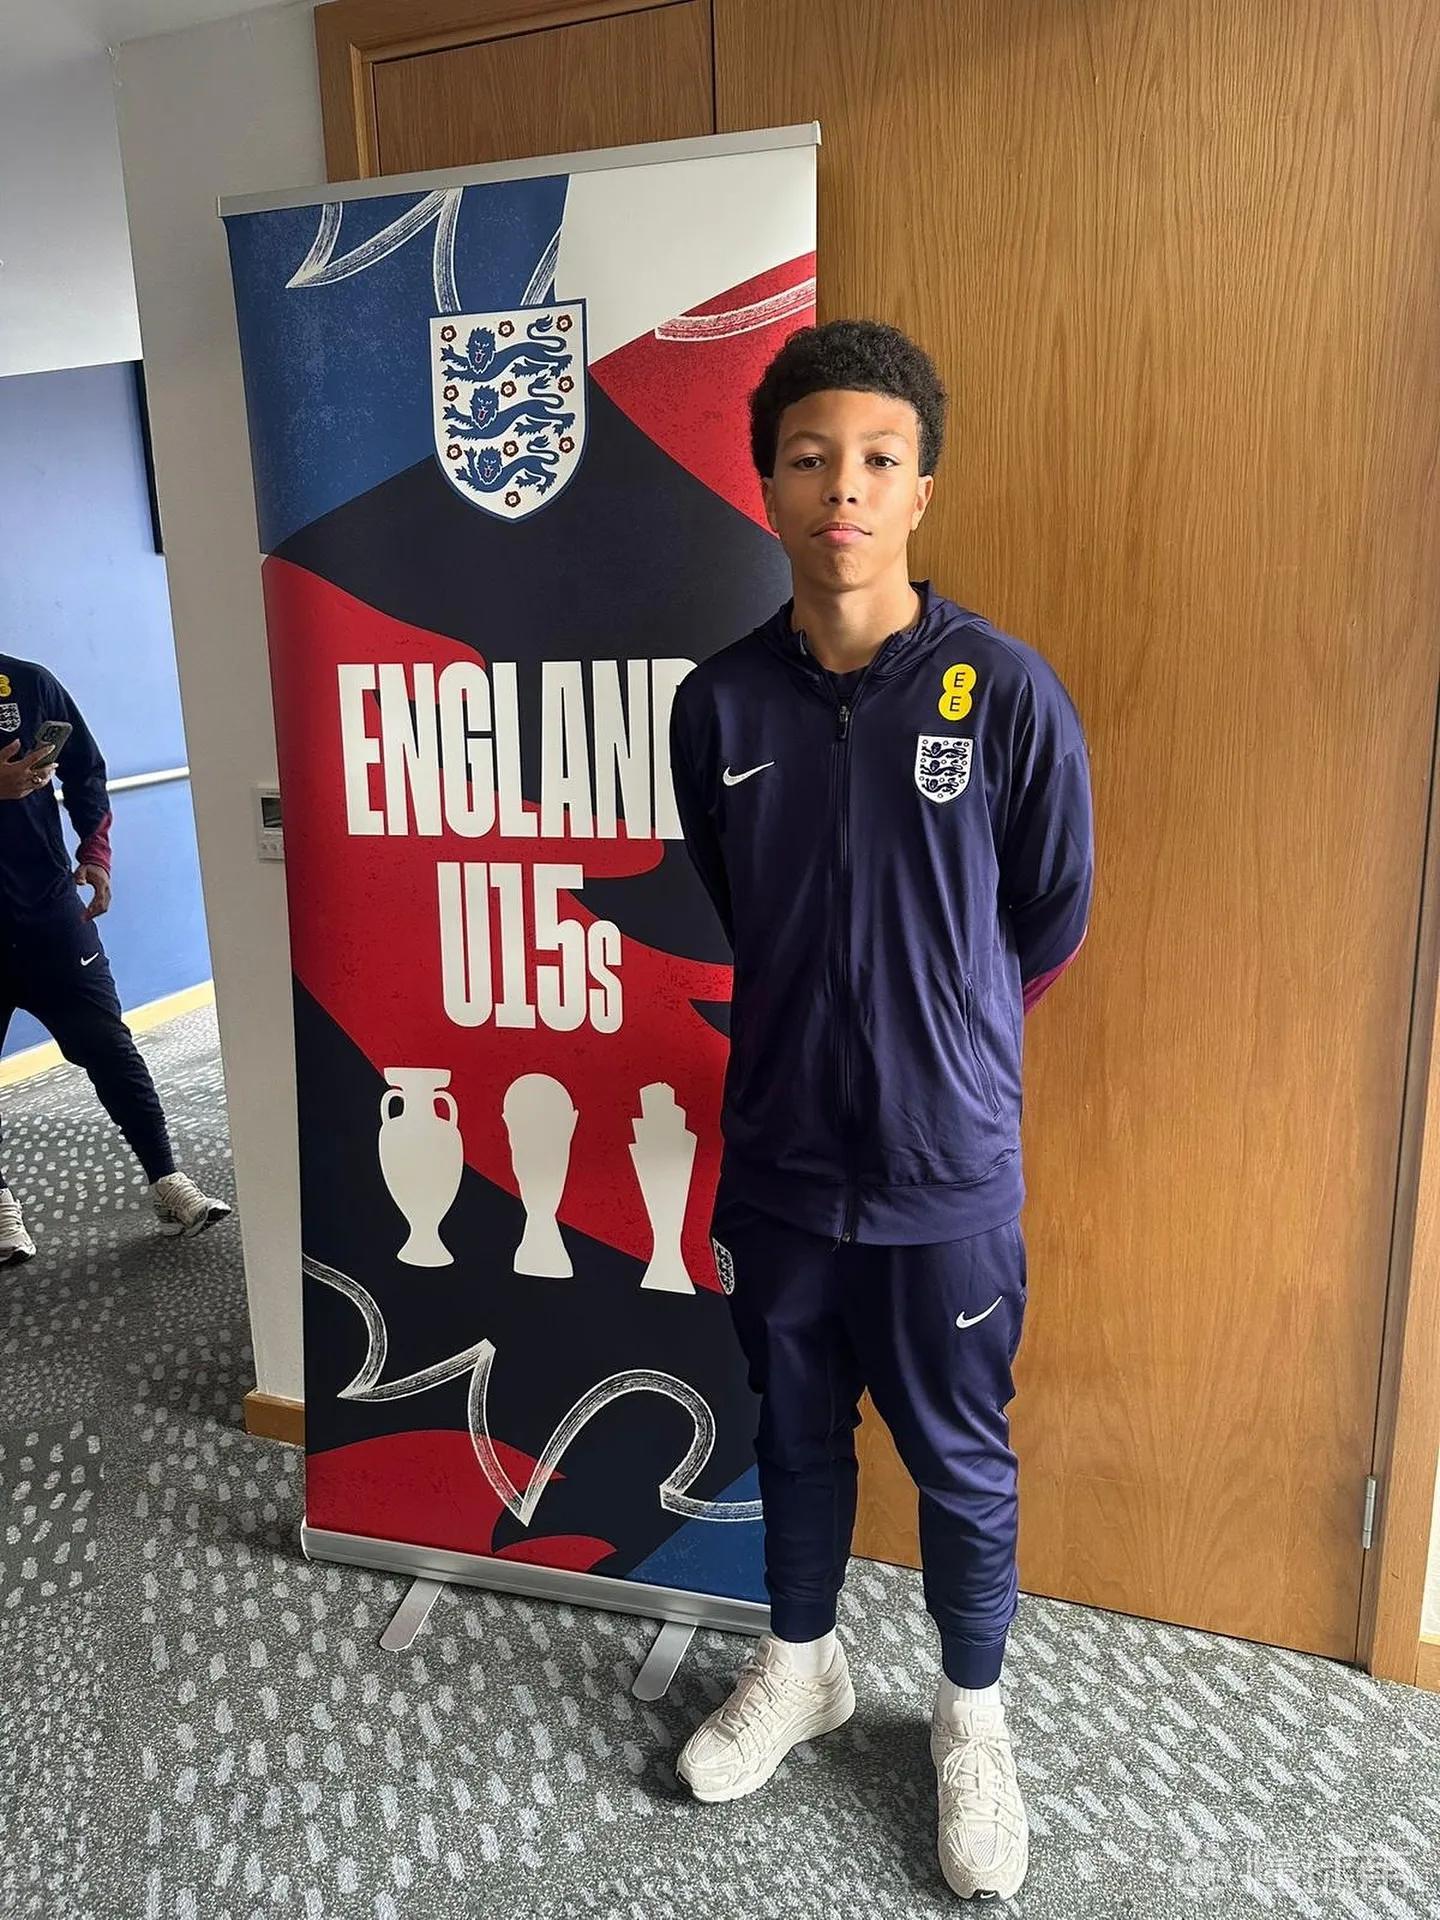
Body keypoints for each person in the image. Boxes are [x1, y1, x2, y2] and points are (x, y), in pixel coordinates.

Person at [666, 320, 1093, 1901]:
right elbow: (743, 907)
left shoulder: (1004, 692)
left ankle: (971, 1717)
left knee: (962, 1460)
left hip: (943, 1173)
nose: (842, 486)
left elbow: (1048, 916)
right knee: (791, 1432)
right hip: (780, 1159)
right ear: (768, 486)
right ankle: (805, 1666)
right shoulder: (718, 708)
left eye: (877, 460)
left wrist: (944, 1040)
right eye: (810, 458)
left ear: (921, 491)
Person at [0, 655, 232, 1263]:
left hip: (49, 912)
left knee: (109, 1046)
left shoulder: (29, 683)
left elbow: (85, 769)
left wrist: (95, 853)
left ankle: (166, 1179)